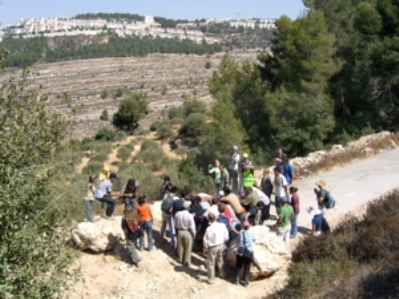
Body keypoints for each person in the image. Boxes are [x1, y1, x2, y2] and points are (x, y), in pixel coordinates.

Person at [203, 212, 229, 284]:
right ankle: (222, 274)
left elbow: (206, 240)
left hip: (213, 247)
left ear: (209, 220)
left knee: (211, 263)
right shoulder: (222, 225)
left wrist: (205, 248)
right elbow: (226, 234)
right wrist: (224, 241)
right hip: (221, 245)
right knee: (220, 259)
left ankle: (211, 278)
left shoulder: (209, 228)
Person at [174, 201, 196, 267]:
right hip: (187, 231)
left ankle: (180, 259)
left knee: (180, 247)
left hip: (179, 231)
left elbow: (174, 223)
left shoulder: (177, 213)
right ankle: (187, 261)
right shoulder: (189, 215)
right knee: (188, 247)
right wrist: (193, 234)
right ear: (188, 208)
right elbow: (192, 226)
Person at [235, 221, 256, 287]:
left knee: (239, 267)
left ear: (243, 227)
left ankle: (237, 280)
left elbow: (237, 240)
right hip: (248, 252)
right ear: (249, 227)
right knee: (247, 268)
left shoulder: (240, 233)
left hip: (240, 252)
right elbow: (254, 240)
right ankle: (246, 282)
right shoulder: (251, 233)